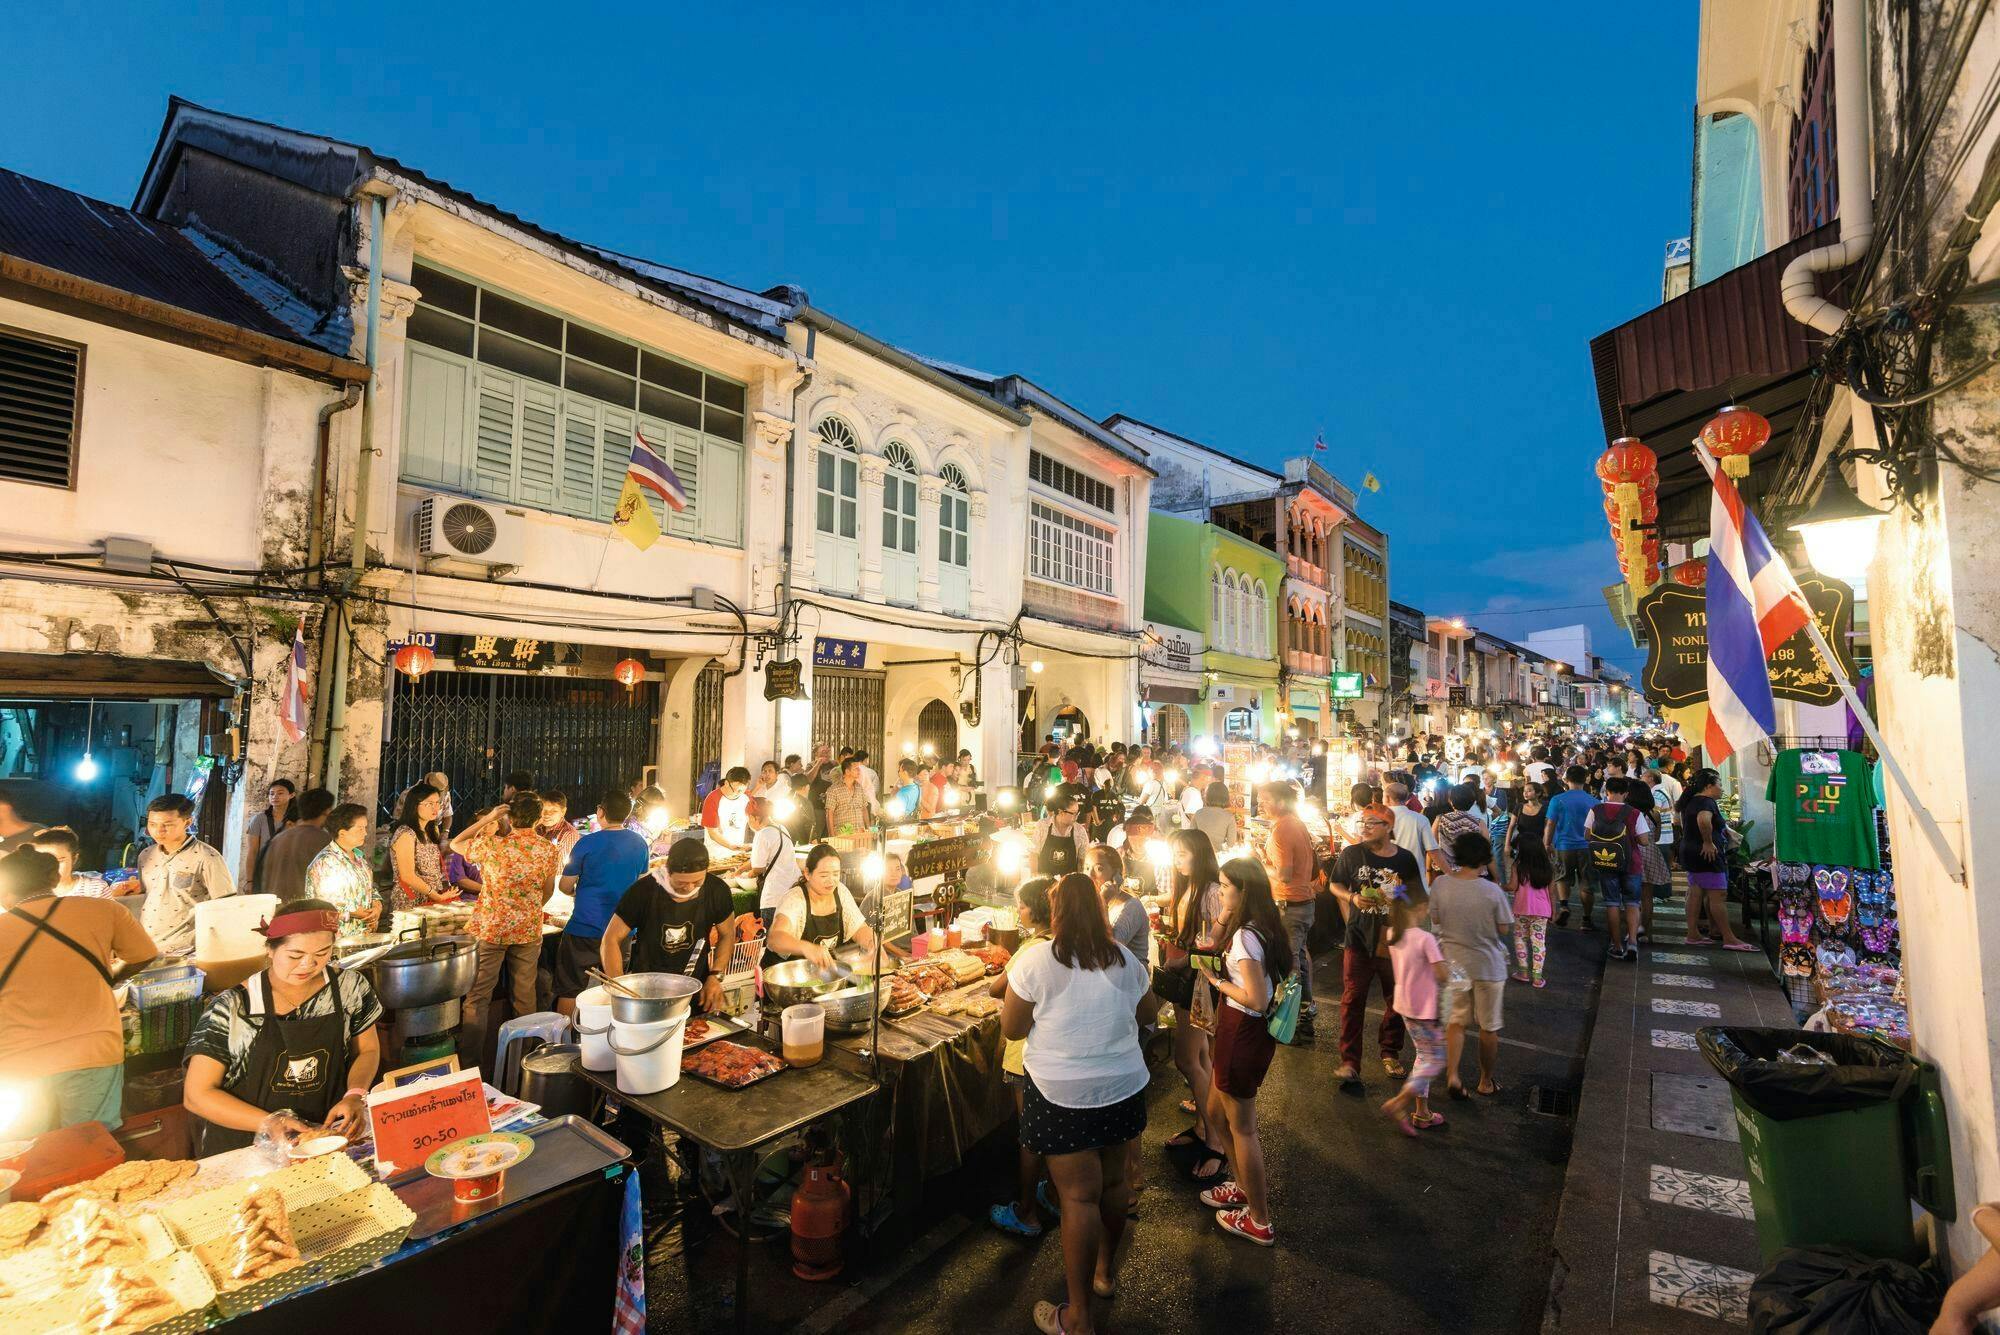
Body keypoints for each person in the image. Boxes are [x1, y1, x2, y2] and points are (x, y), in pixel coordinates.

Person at [1002, 872, 1150, 1335]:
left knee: (1078, 1199)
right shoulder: (1125, 959)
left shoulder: (1036, 961)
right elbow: (1148, 1013)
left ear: (1056, 913)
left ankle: (1079, 1317)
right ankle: (1105, 1273)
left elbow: (1012, 1029)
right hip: (1123, 1086)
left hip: (1061, 1092)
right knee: (1112, 1184)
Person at [183, 900, 382, 1153]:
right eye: (295, 955)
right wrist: (268, 1122)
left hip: (327, 1139)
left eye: (322, 953)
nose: (308, 965)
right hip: (248, 1151)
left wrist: (355, 1094)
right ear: (270, 949)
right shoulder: (233, 1008)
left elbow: (368, 1050)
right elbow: (197, 1094)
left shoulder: (349, 988)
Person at [0, 845, 158, 1133]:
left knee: (23, 1155)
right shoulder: (103, 909)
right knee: (90, 1146)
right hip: (92, 1049)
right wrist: (110, 976)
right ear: (52, 878)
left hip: (18, 1061)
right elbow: (145, 954)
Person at [1194, 857, 1290, 1246]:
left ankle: (1259, 1219)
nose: (1219, 891)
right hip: (1241, 1030)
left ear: (1243, 890)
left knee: (1243, 1126)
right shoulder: (1262, 924)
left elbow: (1255, 996)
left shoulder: (1249, 937)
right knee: (1217, 1112)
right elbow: (1214, 942)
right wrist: (1225, 914)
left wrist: (1217, 981)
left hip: (1243, 1029)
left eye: (1225, 886)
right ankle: (1242, 1186)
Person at [452, 792, 561, 1064]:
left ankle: (471, 1064)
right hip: (527, 929)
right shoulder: (547, 849)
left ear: (509, 818)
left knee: (478, 998)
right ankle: (521, 1061)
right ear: (538, 820)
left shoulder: (493, 846)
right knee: (525, 997)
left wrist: (488, 818)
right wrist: (527, 909)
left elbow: (456, 843)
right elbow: (547, 891)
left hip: (491, 928)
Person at [1328, 803, 1425, 1085]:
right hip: (1358, 937)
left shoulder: (1404, 860)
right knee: (1352, 1000)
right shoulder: (1351, 854)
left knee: (1396, 1000)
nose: (1365, 827)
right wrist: (1352, 899)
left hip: (1393, 941)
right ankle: (1349, 1062)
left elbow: (1415, 897)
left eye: (1372, 823)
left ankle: (1390, 1052)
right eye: (1363, 823)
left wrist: (1402, 906)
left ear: (1389, 827)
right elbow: (1335, 884)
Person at [988, 876, 1055, 1239]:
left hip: (1025, 1055)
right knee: (1049, 1132)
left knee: (1031, 1134)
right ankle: (1053, 1194)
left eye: (1023, 905)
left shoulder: (1031, 949)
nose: (1019, 911)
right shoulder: (1064, 942)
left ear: (1038, 910)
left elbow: (997, 988)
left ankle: (1026, 1212)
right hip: (1051, 1054)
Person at [599, 839, 737, 1011]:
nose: (689, 887)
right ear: (668, 871)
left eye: (697, 882)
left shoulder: (717, 890)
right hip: (646, 990)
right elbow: (610, 939)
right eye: (681, 883)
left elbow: (727, 934)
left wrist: (716, 975)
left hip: (694, 988)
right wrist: (618, 988)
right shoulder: (643, 891)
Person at [1431, 832, 1514, 1099]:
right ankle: (1485, 1081)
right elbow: (1503, 929)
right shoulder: (1491, 891)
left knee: (1456, 1021)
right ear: (1483, 858)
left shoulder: (1441, 884)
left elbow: (1436, 920)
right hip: (1488, 966)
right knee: (1488, 1027)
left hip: (1454, 962)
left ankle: (1453, 1075)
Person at [552, 792, 652, 1015]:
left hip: (583, 929)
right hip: (621, 931)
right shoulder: (640, 843)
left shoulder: (586, 842)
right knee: (615, 989)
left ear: (600, 811)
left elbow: (565, 886)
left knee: (569, 990)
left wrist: (579, 892)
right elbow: (642, 885)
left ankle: (566, 1044)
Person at [1380, 888, 1448, 1136]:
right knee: (1435, 1059)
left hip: (1406, 1006)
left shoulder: (1392, 934)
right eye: (1425, 908)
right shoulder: (1424, 938)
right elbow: (1441, 974)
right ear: (1417, 909)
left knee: (1423, 1056)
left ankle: (1422, 1113)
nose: (1427, 912)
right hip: (1425, 1008)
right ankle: (1401, 1101)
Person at [138, 793, 235, 957]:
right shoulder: (145, 855)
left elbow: (225, 906)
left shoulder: (207, 857)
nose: (158, 830)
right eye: (152, 824)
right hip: (148, 945)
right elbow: (149, 896)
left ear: (187, 822)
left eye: (167, 824)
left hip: (187, 950)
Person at [1257, 782, 1318, 1041]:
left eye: (1265, 799)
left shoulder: (1283, 829)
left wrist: (1260, 863)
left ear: (1281, 801)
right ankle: (1304, 1011)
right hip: (1302, 903)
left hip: (1289, 905)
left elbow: (1283, 874)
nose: (1260, 805)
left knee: (1289, 962)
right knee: (1299, 960)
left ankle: (1288, 1022)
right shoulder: (1295, 822)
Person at [1677, 769, 1755, 950]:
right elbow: (1703, 820)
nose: (1721, 789)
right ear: (1709, 786)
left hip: (1690, 850)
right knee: (1717, 895)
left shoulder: (1692, 800)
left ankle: (1693, 934)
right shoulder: (1706, 802)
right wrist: (1708, 842)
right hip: (1706, 854)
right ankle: (1729, 938)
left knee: (1695, 891)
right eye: (1719, 785)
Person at [767, 844, 877, 971]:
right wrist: (806, 947)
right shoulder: (794, 899)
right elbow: (775, 938)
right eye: (824, 876)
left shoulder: (840, 891)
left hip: (823, 976)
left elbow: (858, 928)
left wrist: (872, 943)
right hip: (787, 977)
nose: (831, 881)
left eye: (836, 874)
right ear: (807, 873)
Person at [1586, 777, 1648, 961]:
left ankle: (1617, 946)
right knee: (1632, 903)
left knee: (1612, 903)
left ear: (1607, 792)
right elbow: (1644, 841)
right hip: (1631, 864)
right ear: (1626, 794)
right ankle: (1633, 944)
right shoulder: (1634, 813)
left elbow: (1587, 835)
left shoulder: (1596, 810)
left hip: (1606, 863)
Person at [303, 804, 380, 939]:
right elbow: (323, 904)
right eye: (360, 829)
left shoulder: (359, 857)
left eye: (365, 828)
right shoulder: (326, 861)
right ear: (342, 832)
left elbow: (370, 889)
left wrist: (377, 906)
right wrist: (356, 913)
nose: (365, 833)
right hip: (337, 937)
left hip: (363, 935)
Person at [1545, 765, 1599, 928]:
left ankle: (1564, 905)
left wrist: (1547, 843)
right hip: (1587, 847)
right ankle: (1586, 919)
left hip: (1564, 845)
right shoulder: (1595, 802)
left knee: (1562, 877)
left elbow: (1550, 823)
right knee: (1586, 884)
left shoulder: (1558, 799)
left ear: (1566, 779)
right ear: (1586, 779)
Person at [259, 788, 336, 902]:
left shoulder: (278, 839)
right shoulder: (324, 840)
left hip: (276, 909)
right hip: (304, 910)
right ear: (327, 811)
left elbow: (265, 879)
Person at [389, 784, 454, 910]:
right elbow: (407, 876)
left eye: (437, 803)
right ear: (414, 805)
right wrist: (436, 896)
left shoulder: (430, 831)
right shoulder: (406, 834)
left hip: (432, 898)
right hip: (411, 899)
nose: (435, 808)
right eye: (429, 804)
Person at [1509, 837, 1556, 987]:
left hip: (1521, 909)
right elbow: (1552, 893)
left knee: (1520, 939)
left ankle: (1523, 972)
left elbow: (1512, 886)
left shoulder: (1518, 866)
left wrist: (1498, 886)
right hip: (1542, 911)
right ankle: (1537, 977)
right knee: (1538, 942)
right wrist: (1553, 911)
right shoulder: (1548, 867)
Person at [745, 795, 801, 920]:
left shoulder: (762, 834)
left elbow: (758, 869)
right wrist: (740, 870)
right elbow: (760, 858)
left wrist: (745, 876)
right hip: (793, 891)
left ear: (756, 817)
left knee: (772, 938)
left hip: (775, 896)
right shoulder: (782, 828)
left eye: (748, 818)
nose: (748, 822)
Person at [1089, 845, 1149, 959]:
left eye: (1099, 869)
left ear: (1116, 874)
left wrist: (1104, 901)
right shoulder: (1093, 901)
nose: (1090, 875)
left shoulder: (1132, 907)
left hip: (1130, 974)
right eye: (1086, 868)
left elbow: (1109, 950)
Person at [1383, 780, 1442, 892]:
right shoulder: (1420, 819)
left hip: (1385, 879)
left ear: (1387, 798)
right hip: (1416, 879)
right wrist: (1450, 874)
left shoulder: (1380, 820)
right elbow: (1433, 851)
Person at [240, 778, 295, 892]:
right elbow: (252, 851)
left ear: (291, 795)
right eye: (271, 793)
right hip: (264, 873)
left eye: (280, 793)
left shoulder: (297, 820)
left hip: (289, 874)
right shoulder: (259, 819)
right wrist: (249, 881)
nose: (275, 796)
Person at [1026, 790, 1091, 880]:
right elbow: (1033, 853)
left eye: (1077, 813)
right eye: (1073, 813)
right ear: (1061, 812)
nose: (1076, 817)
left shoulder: (1079, 831)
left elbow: (1082, 860)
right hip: (1044, 882)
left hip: (1068, 885)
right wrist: (1034, 877)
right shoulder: (1043, 826)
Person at [27, 827, 109, 898]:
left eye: (59, 860)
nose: (51, 867)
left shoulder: (95, 889)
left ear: (74, 859)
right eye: (43, 861)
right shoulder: (28, 892)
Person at [822, 758, 873, 837]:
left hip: (859, 833)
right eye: (856, 769)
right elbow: (829, 814)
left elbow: (864, 808)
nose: (859, 771)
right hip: (842, 835)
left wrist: (868, 828)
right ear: (847, 771)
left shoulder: (859, 787)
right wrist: (832, 835)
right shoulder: (834, 790)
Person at [1188, 780, 1236, 852]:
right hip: (1218, 857)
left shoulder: (1198, 813)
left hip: (1199, 855)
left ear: (1207, 796)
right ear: (1226, 797)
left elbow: (1190, 837)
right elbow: (1231, 843)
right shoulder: (1229, 817)